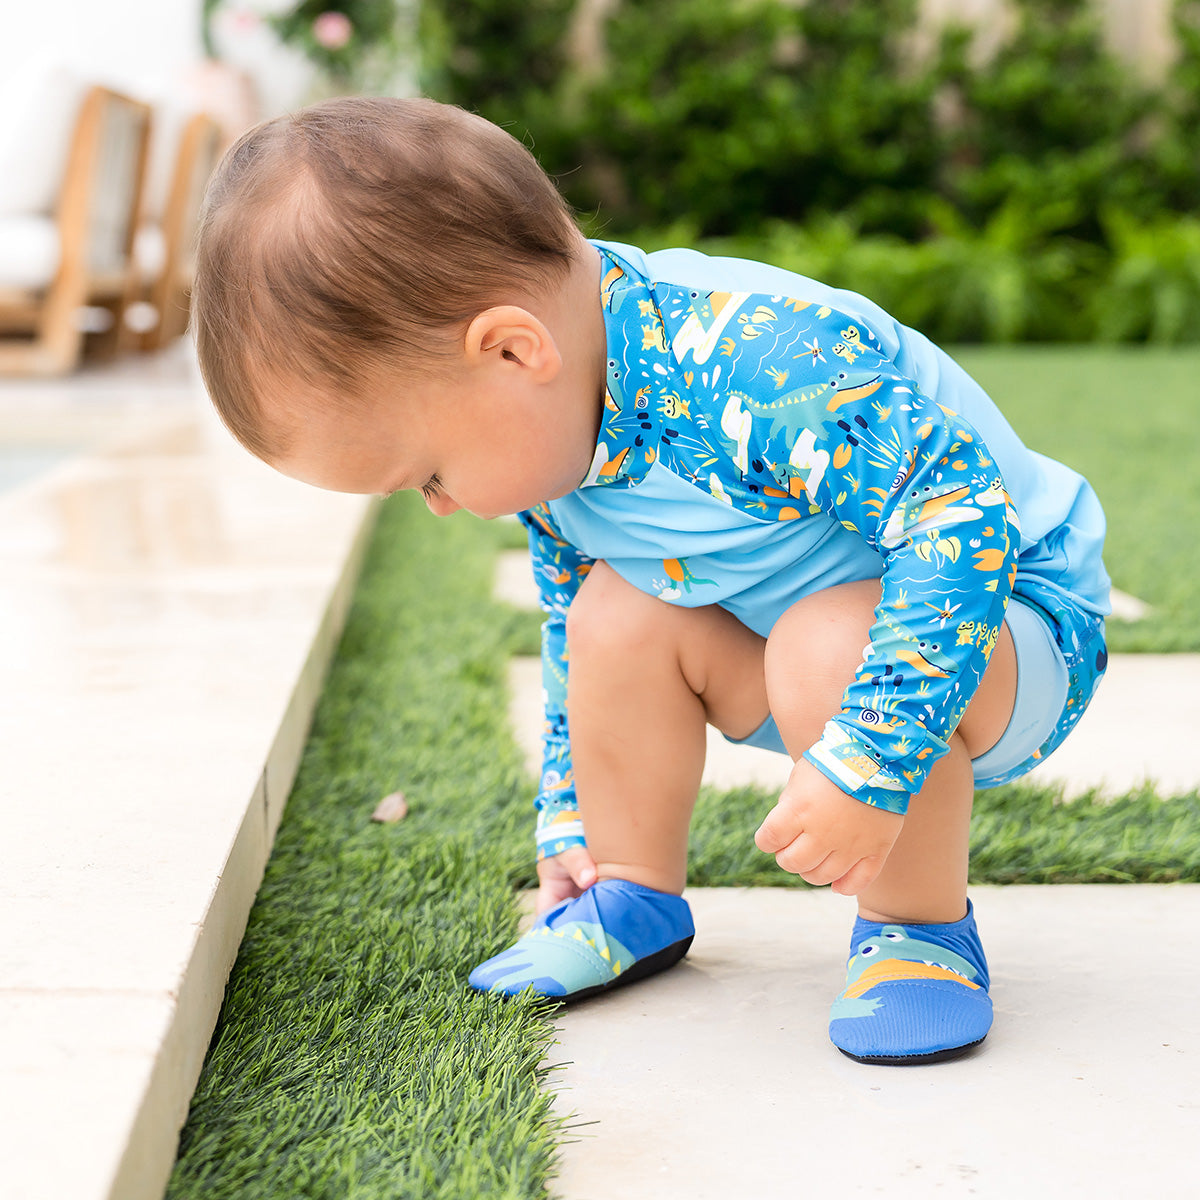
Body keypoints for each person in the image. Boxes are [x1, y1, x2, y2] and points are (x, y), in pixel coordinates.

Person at [192, 96, 1110, 1065]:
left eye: (427, 474)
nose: (440, 506)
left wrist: (871, 761)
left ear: (512, 351)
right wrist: (573, 816)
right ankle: (628, 889)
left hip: (1012, 628)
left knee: (821, 648)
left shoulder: (757, 365)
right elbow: (571, 637)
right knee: (609, 615)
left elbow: (959, 514)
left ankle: (919, 930)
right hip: (807, 641)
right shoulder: (552, 438)